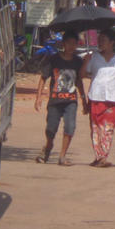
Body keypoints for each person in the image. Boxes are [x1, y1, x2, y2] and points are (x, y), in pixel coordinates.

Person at [81, 29, 115, 168]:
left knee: (108, 129)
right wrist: (85, 62)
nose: (100, 43)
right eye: (99, 40)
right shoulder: (93, 58)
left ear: (112, 43)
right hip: (96, 98)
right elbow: (82, 75)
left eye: (103, 40)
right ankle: (98, 156)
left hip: (113, 100)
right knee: (95, 129)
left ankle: (103, 157)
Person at [34, 31, 85, 166]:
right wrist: (38, 97)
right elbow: (43, 78)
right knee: (51, 129)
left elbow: (79, 81)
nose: (72, 47)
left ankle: (62, 156)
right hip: (55, 100)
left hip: (71, 101)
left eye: (75, 44)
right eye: (69, 43)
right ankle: (48, 146)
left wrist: (84, 99)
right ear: (63, 44)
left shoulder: (78, 62)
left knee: (70, 127)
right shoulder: (54, 59)